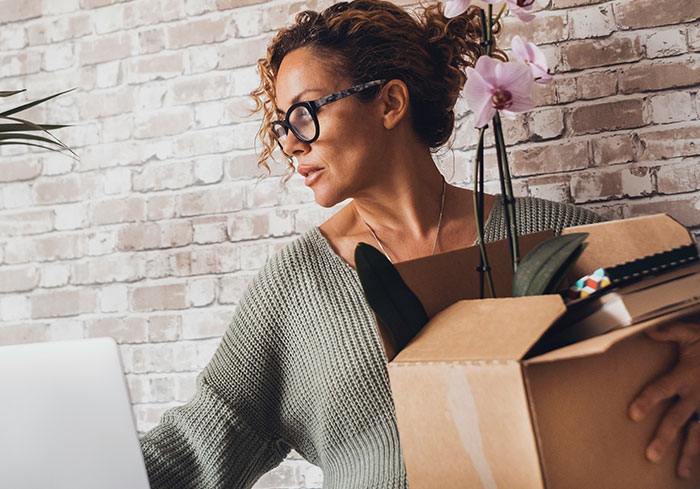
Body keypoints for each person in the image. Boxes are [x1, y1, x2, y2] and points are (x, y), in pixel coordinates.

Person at [139, 1, 700, 487]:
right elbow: (200, 444)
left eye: (305, 114)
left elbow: (648, 324)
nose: (290, 142)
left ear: (389, 103)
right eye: (282, 124)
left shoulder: (559, 238)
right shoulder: (294, 289)